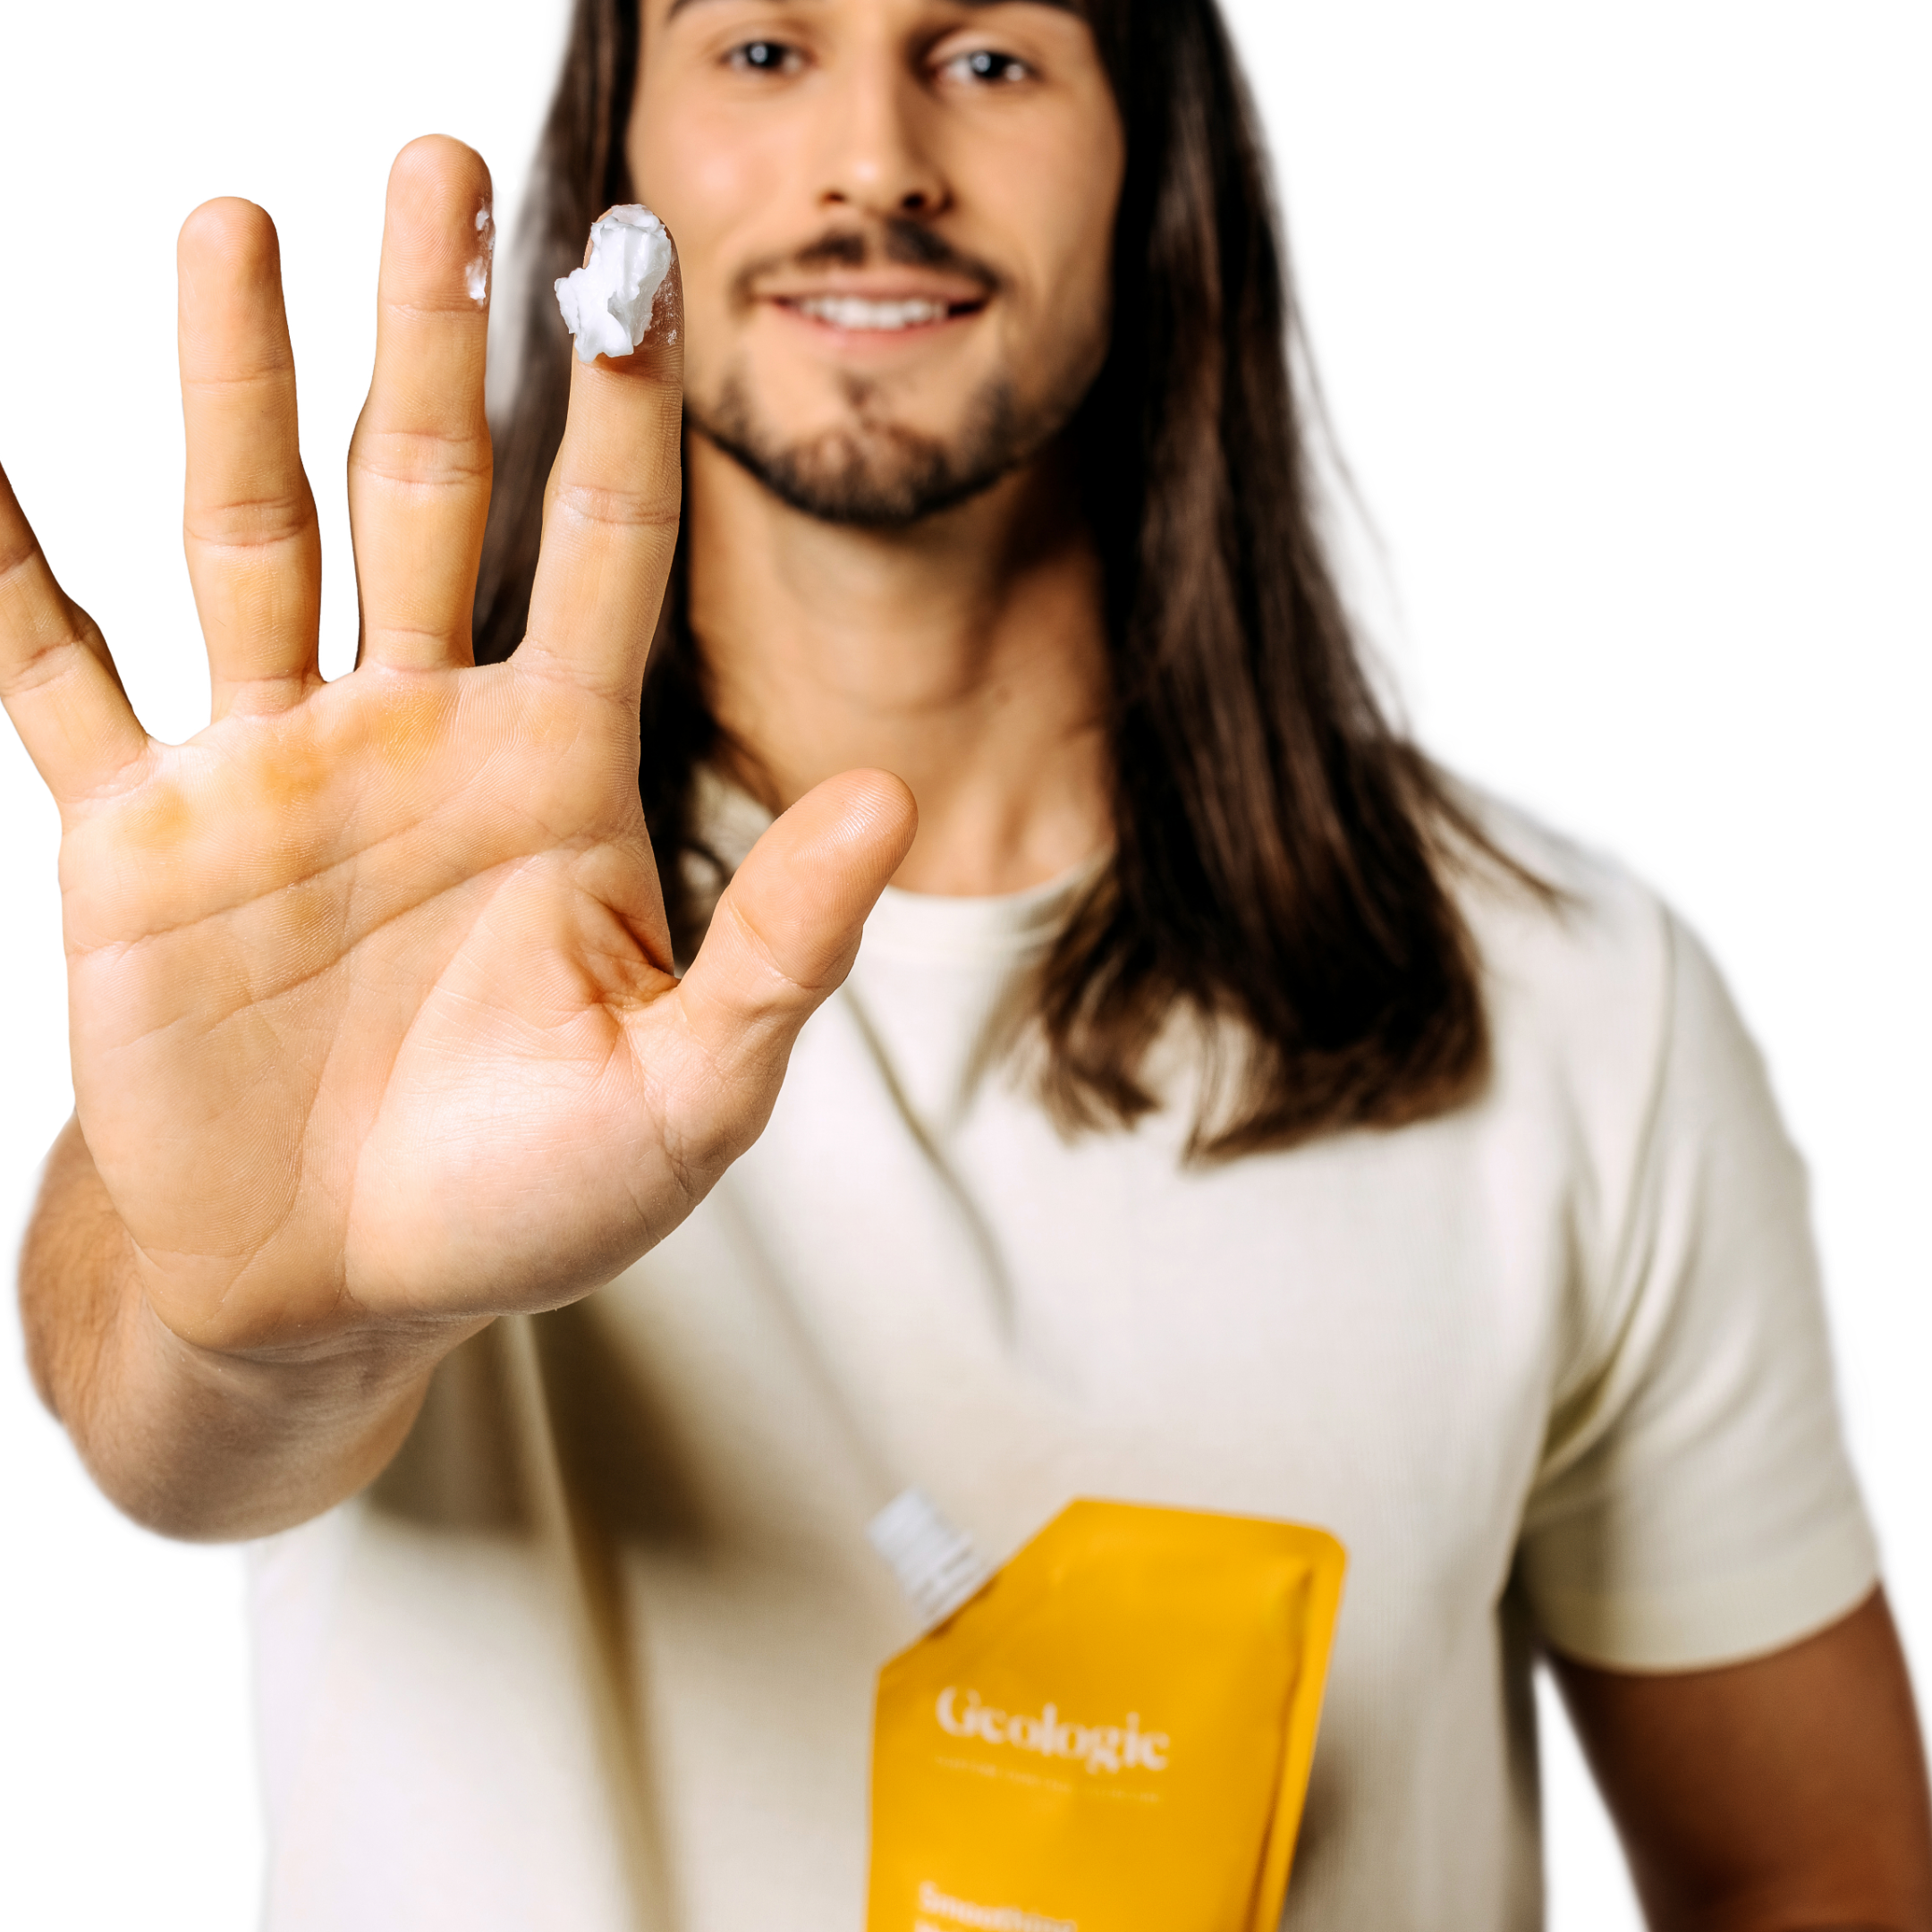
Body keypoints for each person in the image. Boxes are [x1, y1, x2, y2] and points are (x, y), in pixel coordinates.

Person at [2, 0, 1927, 1925]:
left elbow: (1812, 1868)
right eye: (763, 52)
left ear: (1162, 165)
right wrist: (272, 1319)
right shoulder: (408, 941)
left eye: (988, 57)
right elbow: (159, 1383)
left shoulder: (1578, 987)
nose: (875, 162)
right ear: (617, 150)